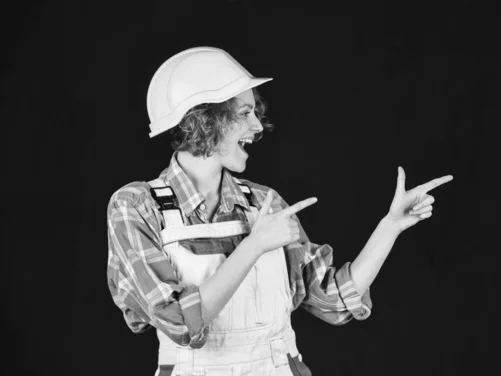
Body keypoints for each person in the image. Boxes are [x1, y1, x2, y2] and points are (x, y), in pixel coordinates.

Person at [106, 46, 453, 376]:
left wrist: (390, 226)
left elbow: (334, 300)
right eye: (244, 114)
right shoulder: (135, 206)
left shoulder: (264, 203)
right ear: (203, 120)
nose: (258, 127)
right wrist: (254, 245)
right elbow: (182, 323)